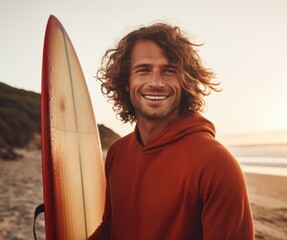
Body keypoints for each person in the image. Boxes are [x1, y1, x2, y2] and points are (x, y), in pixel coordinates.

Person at [89, 22, 254, 240]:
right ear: (126, 81)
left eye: (169, 71)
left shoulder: (215, 163)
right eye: (143, 70)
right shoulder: (117, 153)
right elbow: (111, 229)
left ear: (185, 81)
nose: (156, 83)